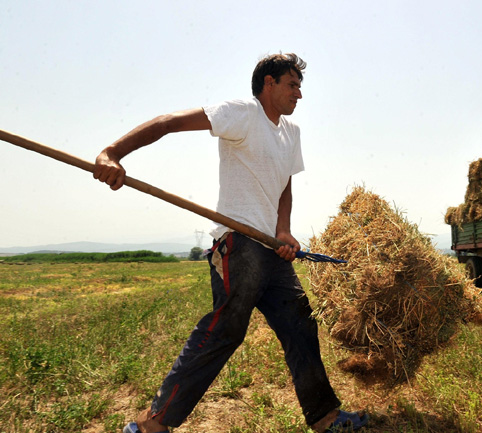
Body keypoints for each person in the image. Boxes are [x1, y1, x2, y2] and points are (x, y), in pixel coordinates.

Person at [94, 53, 368, 433]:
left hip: (272, 249)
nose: (299, 94)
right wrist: (112, 154)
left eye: (300, 87)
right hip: (239, 244)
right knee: (225, 331)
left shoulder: (292, 132)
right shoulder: (242, 113)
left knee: (300, 325)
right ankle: (151, 425)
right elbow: (166, 123)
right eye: (292, 84)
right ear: (268, 84)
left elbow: (285, 184)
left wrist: (283, 230)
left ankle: (325, 418)